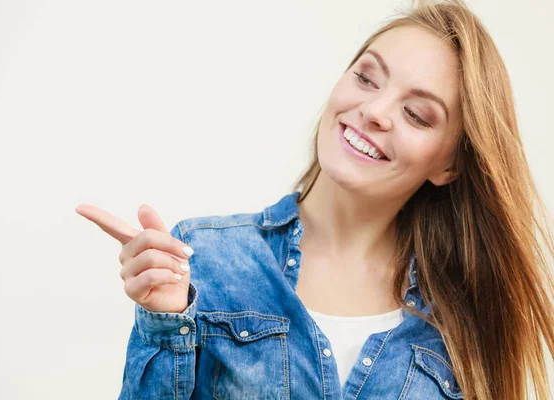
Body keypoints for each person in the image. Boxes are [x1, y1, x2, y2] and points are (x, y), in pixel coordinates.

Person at [76, 0, 554, 398]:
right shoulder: (202, 259)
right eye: (367, 78)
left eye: (416, 114)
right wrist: (163, 321)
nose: (374, 111)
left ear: (449, 165)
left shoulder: (460, 322)